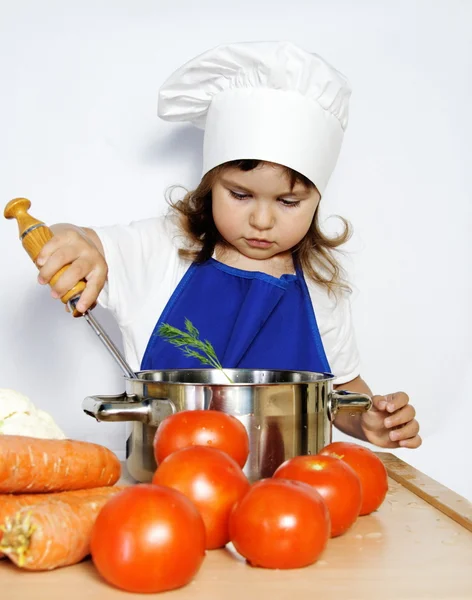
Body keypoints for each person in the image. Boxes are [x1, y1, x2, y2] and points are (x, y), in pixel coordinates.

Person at [35, 41, 421, 449]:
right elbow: (83, 238)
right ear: (211, 185)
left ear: (317, 200)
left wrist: (370, 423)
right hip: (173, 484)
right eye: (240, 195)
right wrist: (72, 245)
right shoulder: (163, 249)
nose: (262, 220)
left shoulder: (322, 286)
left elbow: (340, 393)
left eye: (288, 202)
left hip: (290, 497)